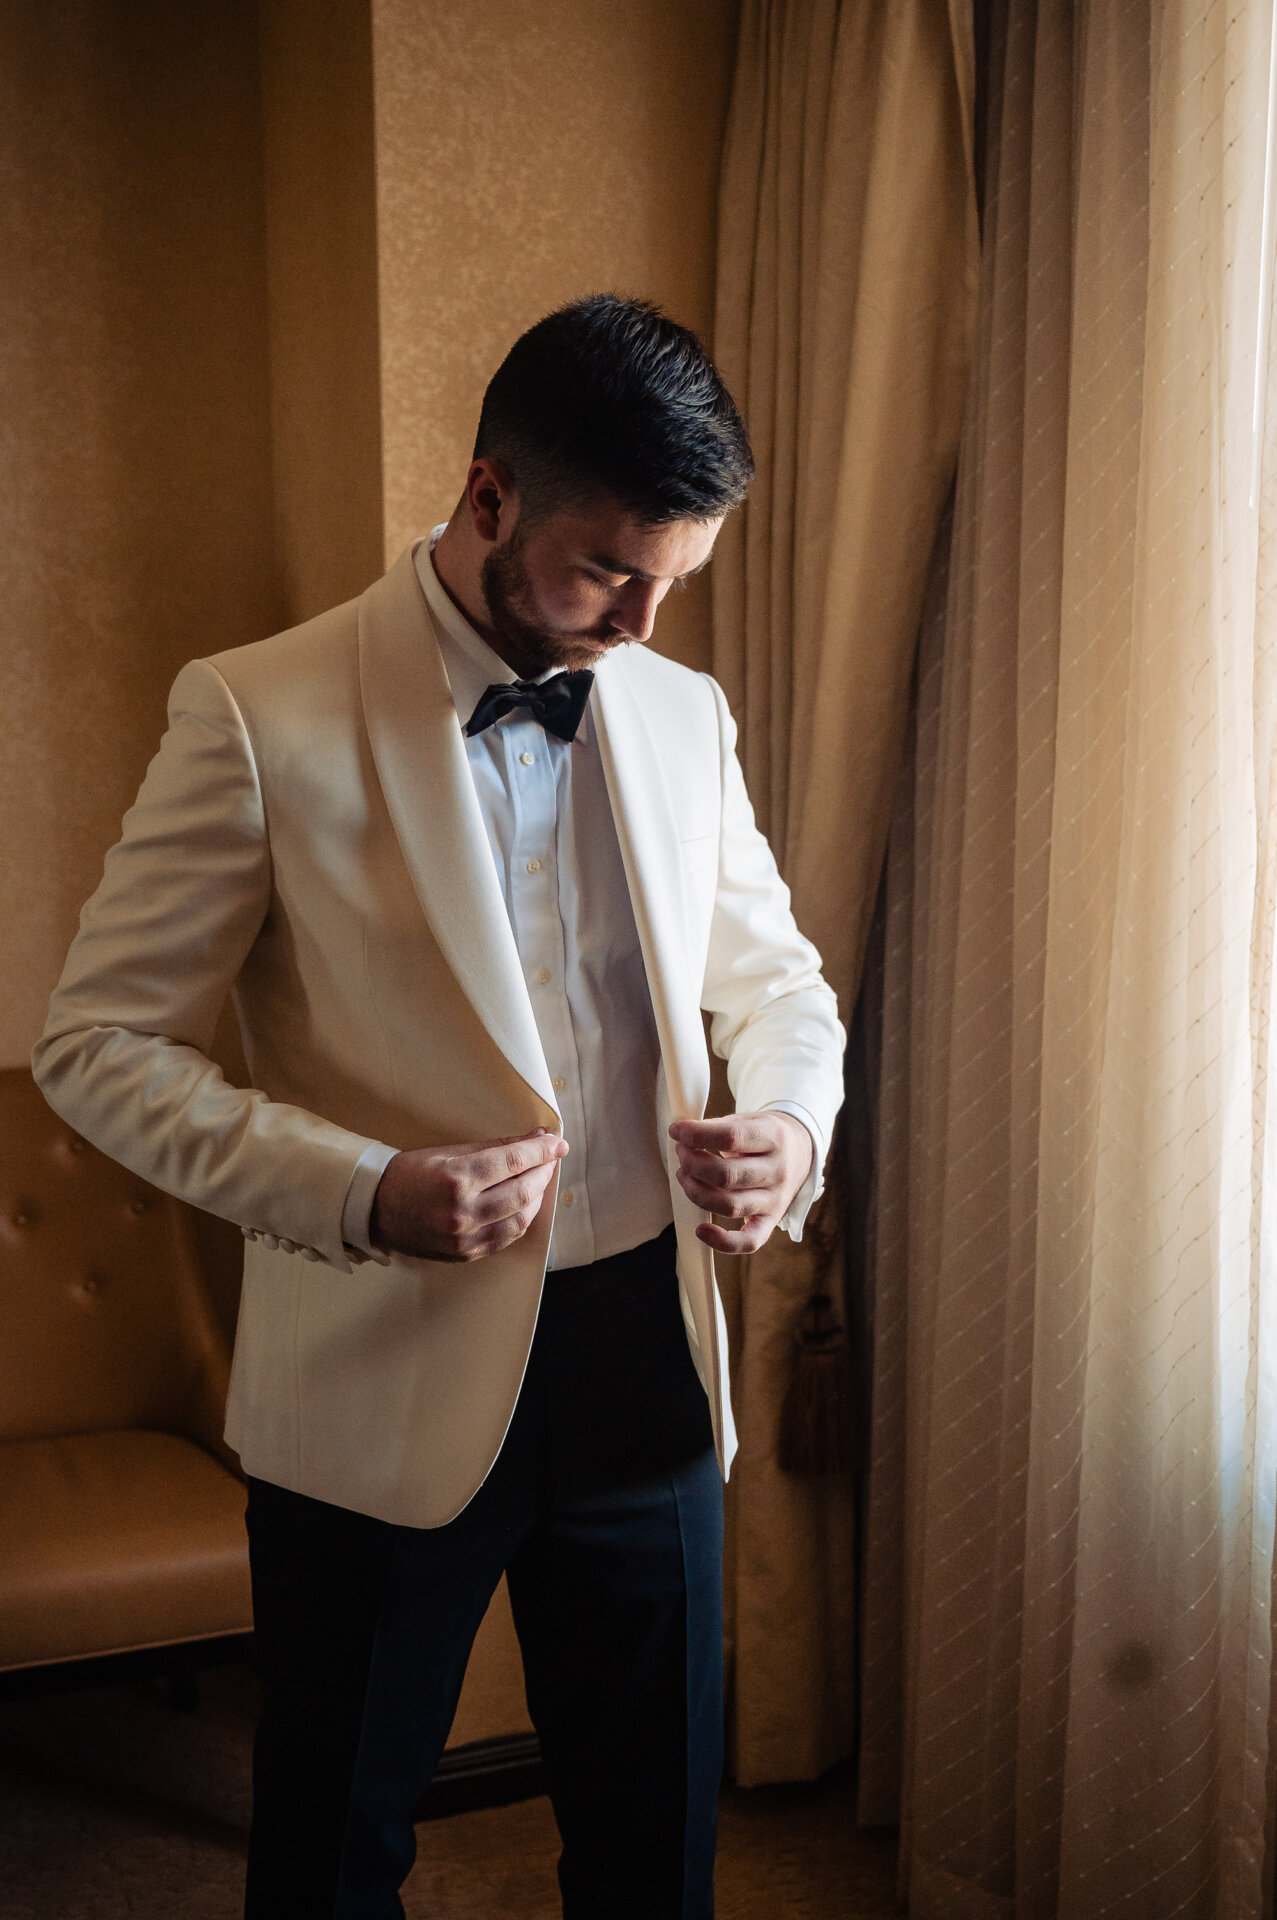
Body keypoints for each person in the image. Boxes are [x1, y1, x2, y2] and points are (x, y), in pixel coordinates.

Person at [33, 294, 845, 1919]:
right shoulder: (257, 711)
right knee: (332, 1851)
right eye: (608, 572)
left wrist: (787, 1127)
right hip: (374, 1371)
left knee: (657, 1848)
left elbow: (777, 985)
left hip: (643, 1358)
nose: (641, 625)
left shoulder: (677, 711)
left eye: (672, 583)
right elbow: (97, 1045)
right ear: (490, 498)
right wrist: (363, 1188)